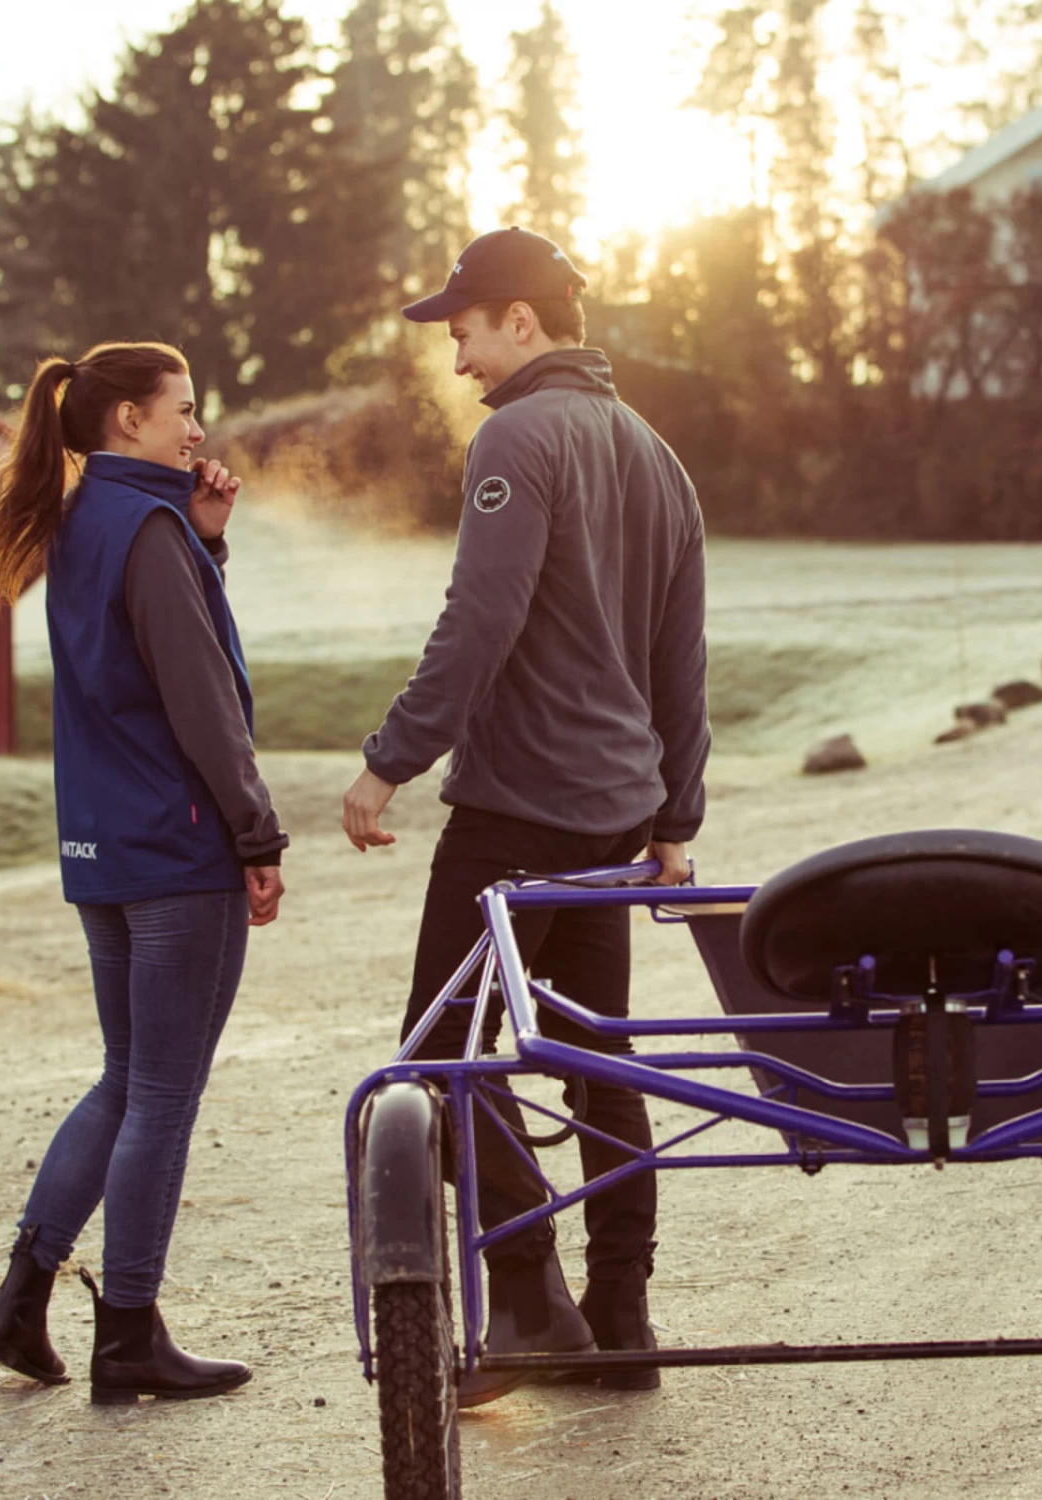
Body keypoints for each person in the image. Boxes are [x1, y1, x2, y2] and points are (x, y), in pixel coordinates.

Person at [342, 228, 709, 1401]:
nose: (459, 364)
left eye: (464, 334)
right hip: (615, 817)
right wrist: (675, 813)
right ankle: (624, 1322)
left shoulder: (518, 437)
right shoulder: (659, 458)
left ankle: (539, 1298)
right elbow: (681, 662)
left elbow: (478, 619)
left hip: (515, 814)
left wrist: (387, 760)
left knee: (431, 1066)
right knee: (601, 1065)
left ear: (519, 320)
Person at [0, 341, 287, 1405]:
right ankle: (130, 1334)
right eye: (182, 410)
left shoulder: (88, 523)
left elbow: (144, 658)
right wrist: (256, 832)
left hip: (103, 845)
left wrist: (209, 547)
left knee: (125, 1078)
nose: (198, 429)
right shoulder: (145, 529)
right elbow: (200, 696)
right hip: (176, 849)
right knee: (163, 1095)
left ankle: (20, 1299)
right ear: (128, 423)